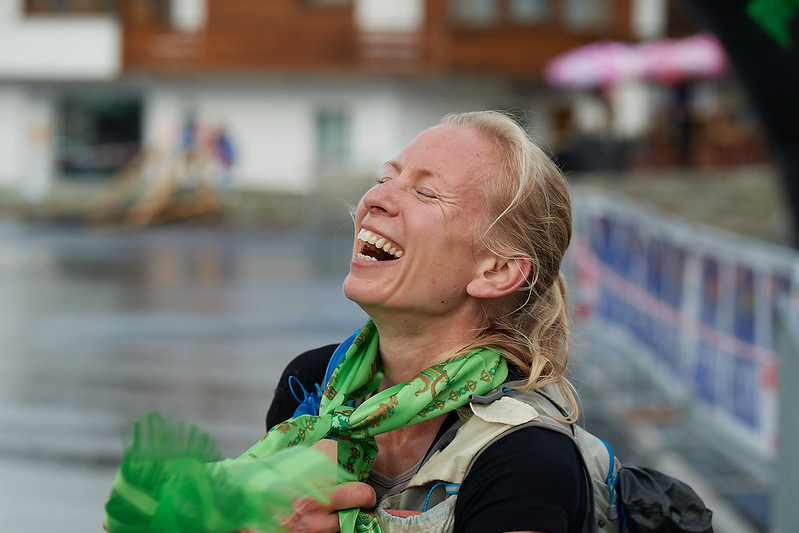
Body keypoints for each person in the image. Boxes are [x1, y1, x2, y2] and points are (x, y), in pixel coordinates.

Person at [263, 110, 587, 533]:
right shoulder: (310, 383)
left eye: (427, 193)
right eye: (385, 178)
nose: (374, 199)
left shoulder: (525, 456)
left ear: (497, 270)